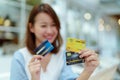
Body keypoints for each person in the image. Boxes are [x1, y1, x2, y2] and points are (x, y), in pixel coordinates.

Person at [10, 3, 99, 80]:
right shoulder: (20, 57)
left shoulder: (62, 55)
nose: (49, 31)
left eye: (53, 25)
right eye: (43, 25)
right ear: (31, 27)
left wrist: (88, 70)